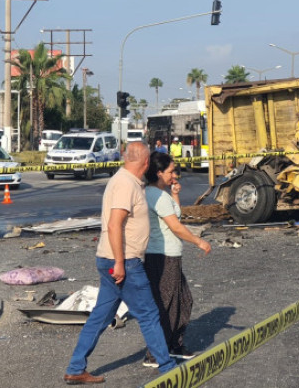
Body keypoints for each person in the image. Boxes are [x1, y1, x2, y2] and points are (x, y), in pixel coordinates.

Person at [64, 142, 176, 384]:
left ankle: (75, 368)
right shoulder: (126, 184)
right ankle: (169, 368)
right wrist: (120, 263)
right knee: (148, 314)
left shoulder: (126, 181)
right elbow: (115, 225)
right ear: (146, 163)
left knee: (101, 317)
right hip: (124, 261)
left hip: (111, 259)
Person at [142, 152, 211, 366]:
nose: (175, 175)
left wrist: (175, 194)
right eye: (171, 171)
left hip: (168, 255)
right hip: (163, 257)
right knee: (167, 305)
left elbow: (175, 215)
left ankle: (174, 345)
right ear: (158, 172)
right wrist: (198, 241)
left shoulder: (159, 195)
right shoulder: (156, 196)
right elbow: (176, 227)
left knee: (183, 300)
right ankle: (155, 353)